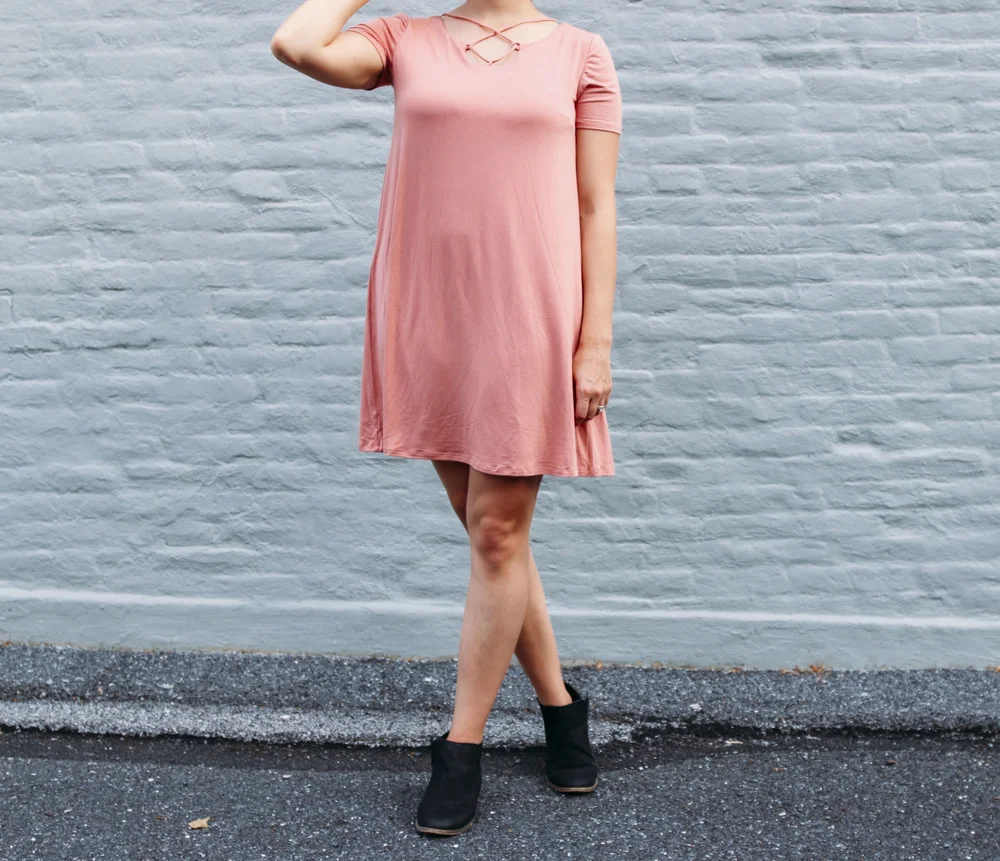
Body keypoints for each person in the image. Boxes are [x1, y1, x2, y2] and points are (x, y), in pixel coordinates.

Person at [270, 0, 622, 837]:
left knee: (497, 532)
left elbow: (595, 206)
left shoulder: (582, 54)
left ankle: (460, 748)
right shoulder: (403, 39)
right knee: (495, 534)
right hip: (431, 310)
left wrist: (595, 340)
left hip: (531, 314)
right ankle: (562, 709)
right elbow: (296, 43)